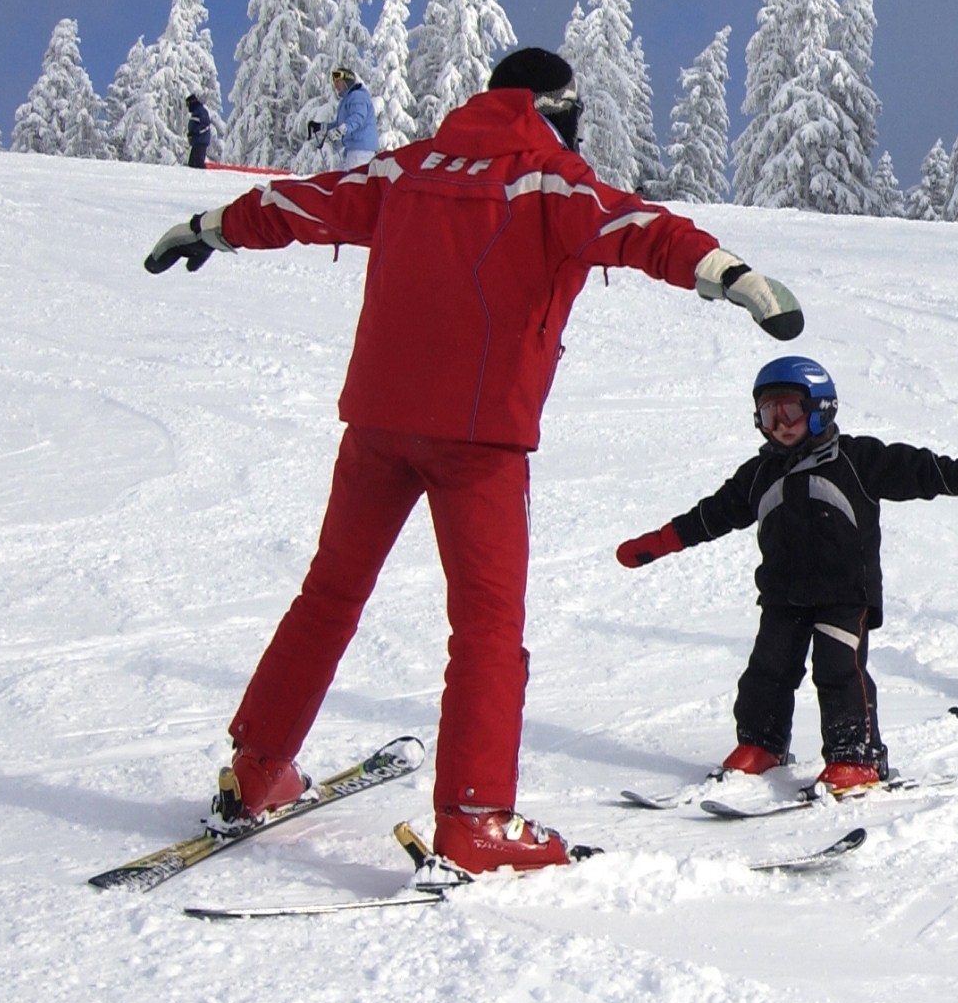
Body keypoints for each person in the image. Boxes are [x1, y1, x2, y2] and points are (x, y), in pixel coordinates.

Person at [141, 47, 806, 875]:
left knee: (329, 593)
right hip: (481, 442)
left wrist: (210, 229)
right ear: (559, 112)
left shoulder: (412, 169)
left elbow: (305, 202)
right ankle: (476, 819)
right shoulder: (550, 179)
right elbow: (642, 229)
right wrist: (731, 274)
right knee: (488, 629)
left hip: (377, 426)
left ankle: (256, 769)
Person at [615, 355, 958, 793]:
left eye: (790, 410)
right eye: (767, 413)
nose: (779, 423)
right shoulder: (759, 473)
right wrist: (659, 542)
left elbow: (924, 470)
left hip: (845, 595)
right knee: (767, 671)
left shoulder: (857, 459)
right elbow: (711, 515)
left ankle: (856, 756)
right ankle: (761, 744)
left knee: (839, 672)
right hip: (782, 595)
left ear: (821, 409)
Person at [323, 66, 378, 169]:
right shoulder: (348, 99)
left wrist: (341, 130)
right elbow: (343, 123)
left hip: (361, 151)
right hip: (354, 150)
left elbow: (358, 117)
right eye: (334, 82)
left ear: (347, 81)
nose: (335, 85)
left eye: (338, 81)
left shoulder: (357, 96)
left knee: (354, 183)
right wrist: (322, 127)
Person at [185, 93, 213, 169]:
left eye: (188, 104)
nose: (187, 107)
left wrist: (195, 132)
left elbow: (205, 125)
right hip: (196, 142)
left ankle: (202, 177)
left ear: (192, 102)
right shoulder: (196, 112)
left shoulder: (201, 111)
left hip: (201, 141)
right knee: (191, 164)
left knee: (197, 163)